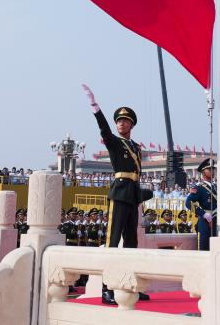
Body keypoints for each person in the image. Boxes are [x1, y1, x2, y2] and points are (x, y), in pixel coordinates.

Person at [83, 84, 151, 305]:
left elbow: (136, 173)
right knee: (113, 240)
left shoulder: (136, 147)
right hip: (120, 193)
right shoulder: (114, 142)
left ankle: (131, 285)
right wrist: (95, 107)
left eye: (125, 121)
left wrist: (141, 193)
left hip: (132, 195)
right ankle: (107, 288)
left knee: (132, 242)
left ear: (131, 125)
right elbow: (104, 129)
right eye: (119, 121)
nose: (121, 123)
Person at [184, 158, 217, 251]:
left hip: (217, 220)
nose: (212, 171)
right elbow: (188, 203)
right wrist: (203, 214)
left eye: (213, 169)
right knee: (204, 248)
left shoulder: (216, 187)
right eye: (209, 169)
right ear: (203, 172)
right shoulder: (199, 187)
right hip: (205, 222)